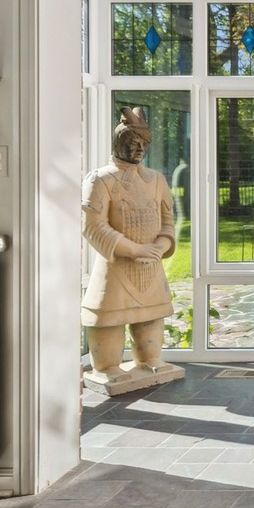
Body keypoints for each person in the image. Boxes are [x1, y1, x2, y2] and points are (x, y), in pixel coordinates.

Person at [80, 107, 177, 384]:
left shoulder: (156, 179)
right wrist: (134, 250)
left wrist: (160, 245)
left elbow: (168, 220)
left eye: (144, 144)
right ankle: (106, 367)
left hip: (151, 267)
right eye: (132, 142)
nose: (139, 149)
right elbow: (93, 225)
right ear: (117, 142)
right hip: (115, 268)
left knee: (151, 323)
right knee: (108, 321)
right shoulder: (100, 179)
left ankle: (149, 361)